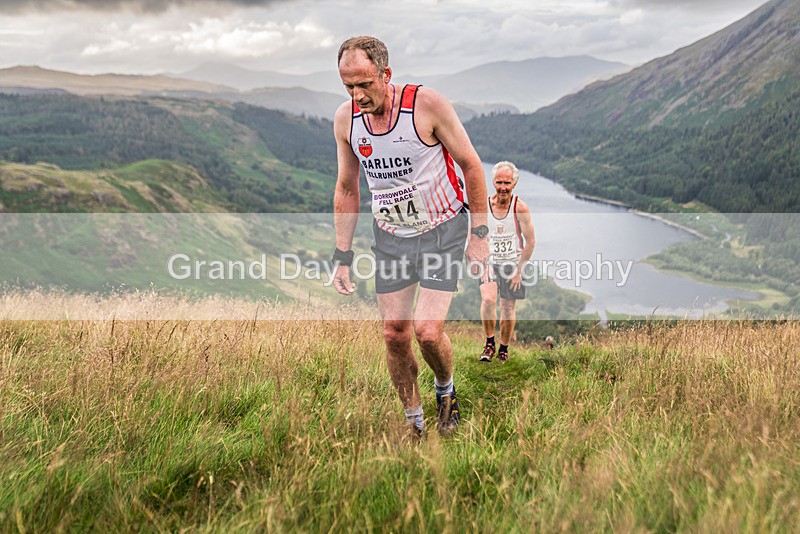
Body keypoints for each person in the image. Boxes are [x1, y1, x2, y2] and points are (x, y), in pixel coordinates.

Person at [331, 36, 489, 438]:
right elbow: (348, 188)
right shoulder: (346, 121)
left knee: (427, 331)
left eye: (364, 83)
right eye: (348, 85)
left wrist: (480, 234)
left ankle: (446, 391)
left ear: (386, 74)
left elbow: (471, 165)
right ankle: (415, 423)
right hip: (391, 237)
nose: (357, 94)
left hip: (442, 230)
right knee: (394, 334)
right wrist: (342, 256)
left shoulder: (426, 105)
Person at [479, 161, 535, 363]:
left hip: (513, 263)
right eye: (499, 182)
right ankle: (489, 344)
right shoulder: (484, 206)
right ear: (493, 182)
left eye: (507, 183)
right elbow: (474, 237)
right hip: (490, 262)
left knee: (508, 308)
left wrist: (519, 271)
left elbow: (530, 242)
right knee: (488, 300)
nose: (503, 187)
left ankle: (503, 348)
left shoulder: (520, 208)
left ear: (514, 184)